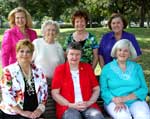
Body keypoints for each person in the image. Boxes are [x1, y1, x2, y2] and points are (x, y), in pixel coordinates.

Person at [51, 42, 105, 119]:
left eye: (77, 54)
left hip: (88, 106)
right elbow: (55, 93)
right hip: (68, 107)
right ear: (67, 54)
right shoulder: (60, 70)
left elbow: (96, 89)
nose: (74, 57)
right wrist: (70, 105)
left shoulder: (87, 68)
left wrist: (89, 102)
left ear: (81, 55)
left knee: (97, 116)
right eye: (72, 54)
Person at [100, 39, 150, 119]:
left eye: (125, 51)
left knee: (143, 116)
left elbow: (144, 88)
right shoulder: (106, 68)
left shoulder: (137, 67)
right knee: (123, 117)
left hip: (135, 100)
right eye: (119, 50)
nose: (122, 53)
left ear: (130, 53)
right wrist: (115, 100)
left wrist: (126, 98)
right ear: (115, 52)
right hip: (113, 101)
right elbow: (104, 90)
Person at [0, 39, 48, 119]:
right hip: (14, 113)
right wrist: (22, 112)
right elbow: (6, 95)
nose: (25, 54)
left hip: (34, 112)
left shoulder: (39, 71)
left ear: (32, 54)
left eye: (28, 51)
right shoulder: (8, 71)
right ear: (16, 54)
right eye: (21, 51)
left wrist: (39, 110)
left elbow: (44, 93)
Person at [32, 20, 65, 119]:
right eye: (48, 30)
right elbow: (30, 62)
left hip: (54, 84)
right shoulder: (37, 43)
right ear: (43, 31)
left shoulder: (58, 46)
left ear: (56, 32)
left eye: (53, 30)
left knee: (51, 109)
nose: (51, 32)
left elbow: (62, 65)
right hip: (38, 83)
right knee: (40, 108)